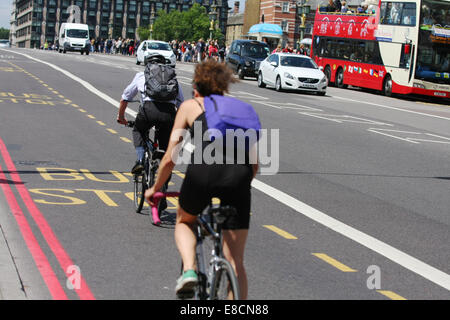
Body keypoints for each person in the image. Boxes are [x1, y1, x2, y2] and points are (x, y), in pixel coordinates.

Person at [144, 60, 259, 299]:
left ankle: (189, 271)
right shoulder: (239, 109)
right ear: (224, 86)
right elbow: (254, 163)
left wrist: (154, 188)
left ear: (197, 85)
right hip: (239, 176)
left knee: (185, 221)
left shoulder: (190, 105)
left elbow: (170, 158)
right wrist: (238, 185)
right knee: (236, 260)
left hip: (204, 171)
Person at [117, 52, 184, 191]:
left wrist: (121, 117)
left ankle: (141, 160)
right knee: (166, 153)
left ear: (147, 64)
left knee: (138, 129)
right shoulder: (172, 77)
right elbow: (181, 102)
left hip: (148, 111)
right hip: (169, 114)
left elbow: (125, 97)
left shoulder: (142, 76)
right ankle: (163, 188)